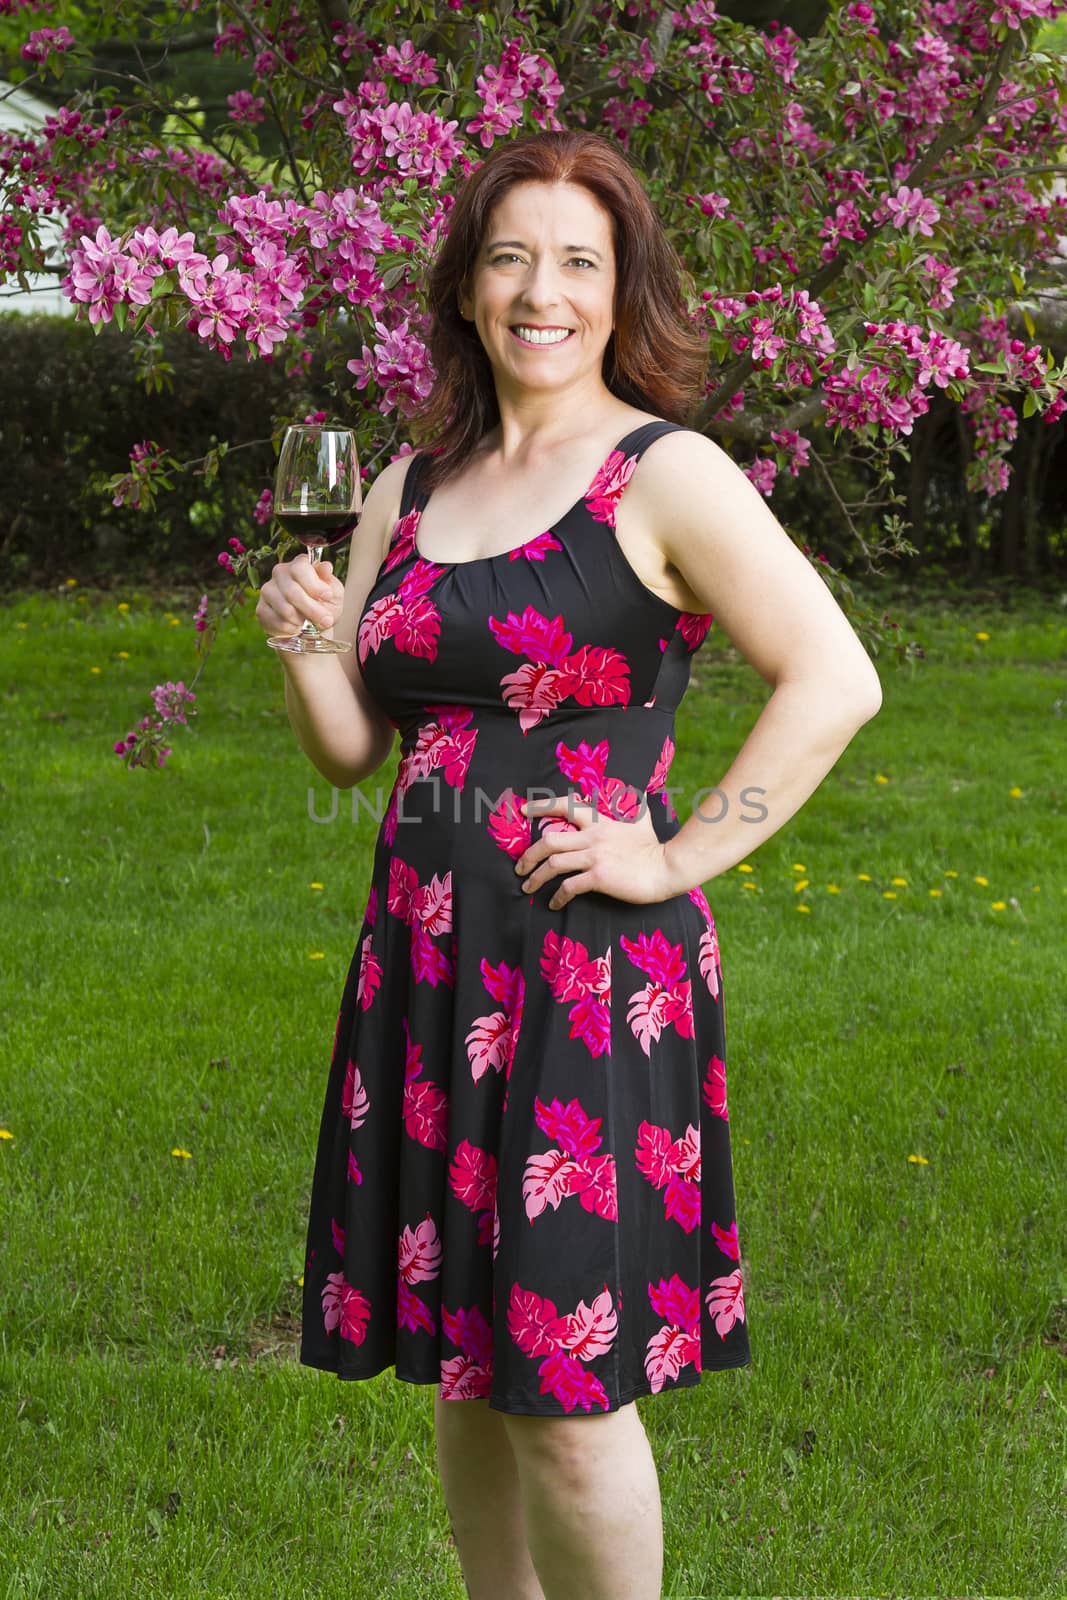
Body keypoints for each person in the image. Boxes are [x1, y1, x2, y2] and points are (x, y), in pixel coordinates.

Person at [256, 129, 882, 1600]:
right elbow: (355, 752)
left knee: (571, 1397)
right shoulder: (406, 487)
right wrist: (300, 647)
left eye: (580, 262)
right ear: (469, 288)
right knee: (468, 1368)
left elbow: (834, 679)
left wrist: (672, 857)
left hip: (586, 970)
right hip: (428, 956)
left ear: (621, 291)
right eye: (513, 257)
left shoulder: (663, 475)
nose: (544, 291)